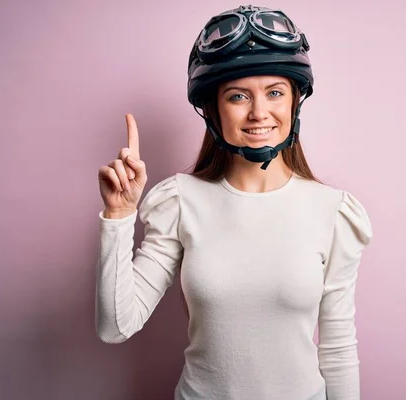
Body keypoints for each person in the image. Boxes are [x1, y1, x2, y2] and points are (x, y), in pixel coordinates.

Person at [96, 5, 373, 400]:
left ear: (294, 102)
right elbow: (116, 325)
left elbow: (339, 349)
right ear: (213, 110)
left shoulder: (333, 212)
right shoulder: (180, 201)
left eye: (275, 92)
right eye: (238, 96)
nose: (259, 112)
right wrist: (119, 217)